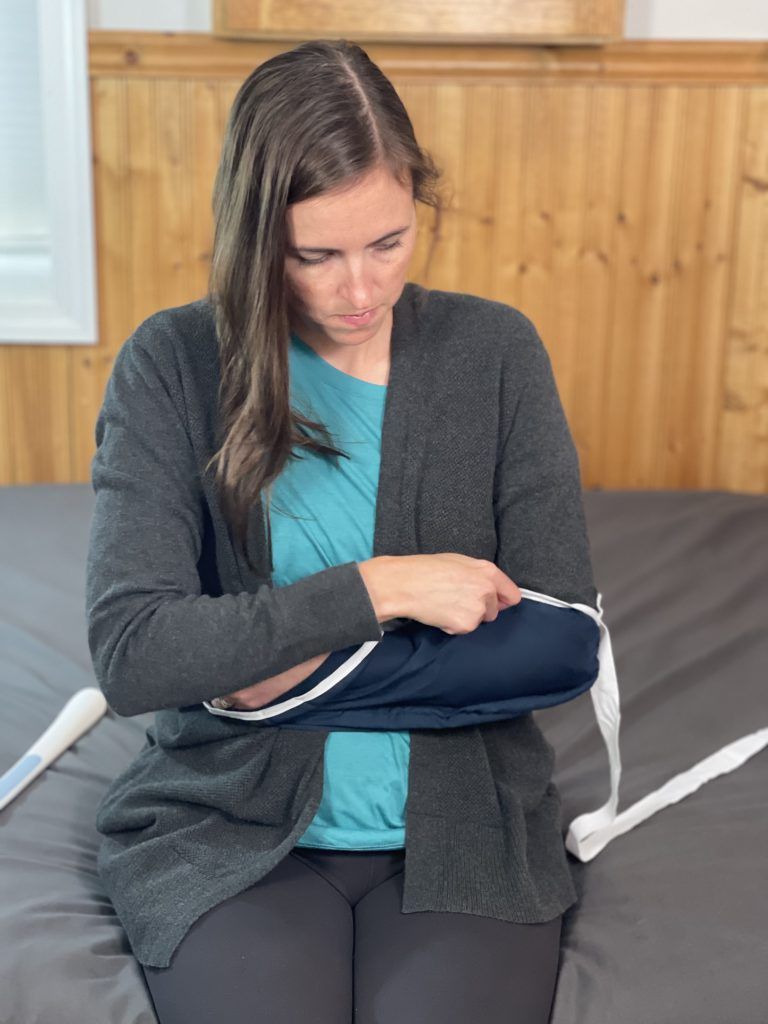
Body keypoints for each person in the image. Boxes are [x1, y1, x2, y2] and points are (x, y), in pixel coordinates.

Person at [86, 37, 599, 1024]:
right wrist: (381, 590)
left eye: (389, 242)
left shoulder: (495, 353)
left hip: (466, 839)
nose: (359, 292)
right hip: (227, 829)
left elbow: (562, 640)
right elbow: (137, 654)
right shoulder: (173, 364)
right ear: (253, 237)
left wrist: (272, 672)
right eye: (314, 254)